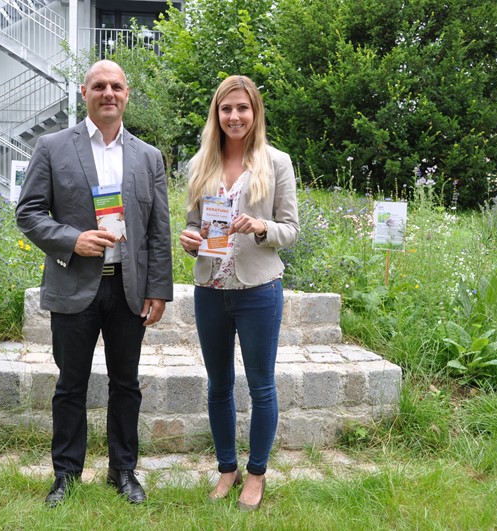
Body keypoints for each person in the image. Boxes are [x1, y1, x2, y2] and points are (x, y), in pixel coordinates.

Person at [16, 60, 173, 507]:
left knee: (127, 384)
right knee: (71, 384)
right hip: (74, 285)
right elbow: (28, 213)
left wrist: (159, 289)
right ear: (84, 92)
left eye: (117, 86)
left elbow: (158, 230)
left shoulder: (147, 156)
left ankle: (122, 470)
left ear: (127, 95)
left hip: (128, 289)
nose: (109, 93)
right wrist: (73, 238)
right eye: (99, 86)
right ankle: (66, 474)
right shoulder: (52, 147)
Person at [179, 75, 299, 511]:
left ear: (255, 113)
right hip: (210, 288)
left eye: (242, 109)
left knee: (261, 386)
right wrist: (188, 237)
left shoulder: (277, 163)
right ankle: (226, 468)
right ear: (217, 113)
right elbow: (193, 222)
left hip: (257, 289)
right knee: (218, 385)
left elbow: (291, 229)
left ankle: (256, 474)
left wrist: (262, 227)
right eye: (226, 109)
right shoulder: (200, 164)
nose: (234, 116)